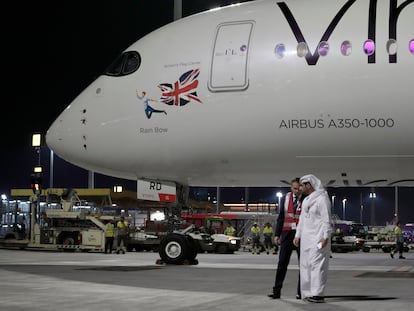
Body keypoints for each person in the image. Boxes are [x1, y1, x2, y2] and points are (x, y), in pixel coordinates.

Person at [293, 174, 332, 303]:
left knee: (318, 265)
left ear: (309, 185)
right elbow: (302, 220)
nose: (300, 188)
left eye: (302, 186)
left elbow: (326, 220)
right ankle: (308, 292)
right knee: (306, 266)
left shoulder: (322, 199)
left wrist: (325, 237)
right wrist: (297, 235)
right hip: (306, 240)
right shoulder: (306, 201)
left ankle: (318, 294)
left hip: (319, 239)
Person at [268, 178, 303, 299]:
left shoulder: (306, 199)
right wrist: (277, 234)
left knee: (302, 266)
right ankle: (276, 291)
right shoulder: (286, 198)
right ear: (291, 188)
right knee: (282, 264)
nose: (297, 190)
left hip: (301, 236)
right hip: (287, 235)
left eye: (299, 188)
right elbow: (281, 218)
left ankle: (300, 292)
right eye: (295, 188)